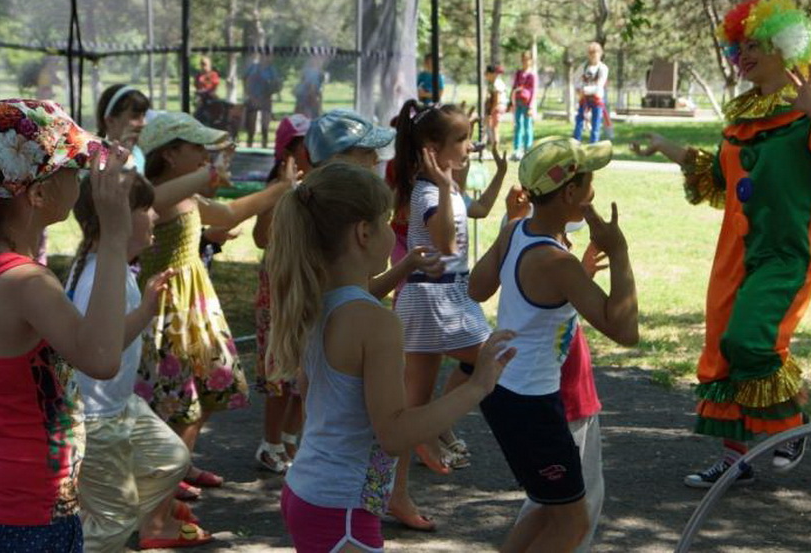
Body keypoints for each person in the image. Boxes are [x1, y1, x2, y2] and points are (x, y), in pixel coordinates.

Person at [630, 0, 811, 487]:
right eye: (739, 47)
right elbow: (716, 176)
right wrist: (664, 146)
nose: (743, 56)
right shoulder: (741, 118)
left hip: (786, 253)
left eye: (755, 45)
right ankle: (736, 459)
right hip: (735, 255)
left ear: (786, 47)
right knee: (723, 349)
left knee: (751, 340)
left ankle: (793, 424)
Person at [265, 161, 517, 553]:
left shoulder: (319, 302)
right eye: (386, 223)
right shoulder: (375, 323)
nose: (392, 232)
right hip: (342, 512)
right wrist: (479, 385)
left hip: (309, 493)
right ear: (364, 233)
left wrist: (405, 266)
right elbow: (395, 434)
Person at [0, 99, 129, 550]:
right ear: (38, 194)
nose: (80, 178)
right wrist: (115, 233)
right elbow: (102, 358)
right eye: (72, 168)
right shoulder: (25, 282)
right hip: (20, 517)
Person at [469, 137, 637, 552]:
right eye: (589, 182)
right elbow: (624, 329)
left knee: (548, 507)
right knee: (572, 525)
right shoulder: (556, 262)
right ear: (570, 194)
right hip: (532, 408)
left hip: (502, 392)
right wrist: (619, 251)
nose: (593, 190)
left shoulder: (516, 231)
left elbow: (477, 287)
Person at [135, 111, 293, 496]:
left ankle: (180, 464)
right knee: (181, 398)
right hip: (172, 310)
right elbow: (219, 211)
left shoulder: (181, 196)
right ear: (170, 155)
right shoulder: (158, 196)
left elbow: (218, 216)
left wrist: (210, 234)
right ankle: (165, 482)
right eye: (196, 148)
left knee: (208, 388)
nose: (204, 154)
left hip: (193, 305)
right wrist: (279, 188)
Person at [66, 171, 211, 551]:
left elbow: (108, 335)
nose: (158, 217)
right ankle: (98, 527)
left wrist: (146, 308)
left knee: (171, 459)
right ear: (119, 218)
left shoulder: (112, 270)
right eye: (146, 208)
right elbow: (99, 347)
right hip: (96, 418)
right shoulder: (99, 275)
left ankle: (95, 517)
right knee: (115, 520)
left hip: (119, 406)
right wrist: (145, 310)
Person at [386, 100, 508, 531]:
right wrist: (441, 185)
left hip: (442, 297)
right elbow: (448, 247)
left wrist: (499, 175)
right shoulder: (426, 192)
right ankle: (427, 434)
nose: (470, 145)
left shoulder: (446, 188)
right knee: (500, 356)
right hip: (431, 300)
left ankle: (397, 491)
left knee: (410, 405)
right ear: (432, 148)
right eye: (462, 139)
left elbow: (476, 213)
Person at [252, 115, 313, 474]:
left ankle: (291, 438)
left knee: (304, 372)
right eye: (302, 143)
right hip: (278, 289)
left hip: (305, 286)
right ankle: (270, 442)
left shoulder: (317, 182)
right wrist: (282, 192)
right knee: (279, 372)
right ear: (287, 151)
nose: (309, 150)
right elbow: (261, 238)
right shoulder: (279, 185)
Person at [96, 84, 153, 172]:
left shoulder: (139, 153)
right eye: (135, 116)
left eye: (144, 115)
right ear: (110, 121)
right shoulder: (96, 158)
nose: (143, 123)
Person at [242, 53, 283, 148]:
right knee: (251, 126)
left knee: (265, 126)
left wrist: (271, 89)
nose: (265, 58)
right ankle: (249, 145)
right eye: (263, 56)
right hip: (253, 98)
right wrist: (248, 93)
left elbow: (277, 84)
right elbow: (245, 79)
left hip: (266, 99)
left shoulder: (271, 69)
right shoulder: (253, 67)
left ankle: (264, 145)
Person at [574, 43, 610, 143]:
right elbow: (575, 79)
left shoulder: (603, 68)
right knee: (579, 123)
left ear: (600, 54)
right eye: (591, 53)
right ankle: (575, 145)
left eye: (595, 53)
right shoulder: (584, 67)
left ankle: (593, 147)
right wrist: (578, 89)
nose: (593, 55)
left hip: (596, 100)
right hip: (584, 100)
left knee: (595, 126)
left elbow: (599, 86)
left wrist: (584, 90)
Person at [509, 51, 538, 160]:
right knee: (518, 125)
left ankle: (528, 149)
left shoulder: (532, 75)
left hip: (527, 103)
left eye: (527, 59)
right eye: (523, 59)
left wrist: (531, 106)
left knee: (527, 126)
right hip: (518, 102)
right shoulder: (518, 73)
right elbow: (513, 87)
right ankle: (517, 149)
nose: (525, 62)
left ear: (531, 61)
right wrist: (511, 102)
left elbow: (534, 91)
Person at [484, 65, 508, 151]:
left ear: (492, 74)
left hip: (497, 107)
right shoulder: (492, 83)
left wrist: (491, 111)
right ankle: (491, 145)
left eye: (487, 73)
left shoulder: (497, 83)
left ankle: (495, 148)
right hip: (494, 107)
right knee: (491, 127)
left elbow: (496, 99)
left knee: (495, 128)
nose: (485, 75)